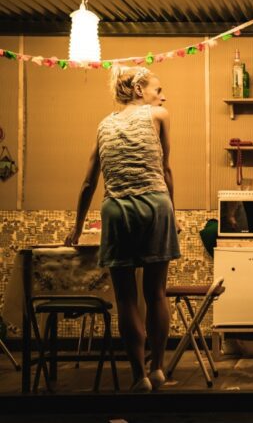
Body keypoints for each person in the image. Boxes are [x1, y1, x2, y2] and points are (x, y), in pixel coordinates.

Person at [65, 65, 181, 393]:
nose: (163, 97)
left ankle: (138, 376)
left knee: (126, 298)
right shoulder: (159, 116)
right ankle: (157, 368)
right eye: (158, 90)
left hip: (116, 208)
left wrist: (77, 228)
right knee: (155, 293)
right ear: (139, 90)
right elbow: (165, 169)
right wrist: (172, 213)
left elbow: (88, 183)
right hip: (155, 203)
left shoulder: (104, 125)